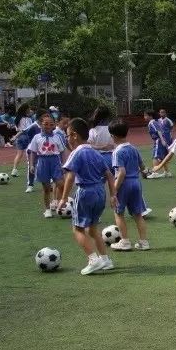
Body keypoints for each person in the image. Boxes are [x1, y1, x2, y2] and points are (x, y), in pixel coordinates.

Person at [59, 117, 118, 276]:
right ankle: (105, 259)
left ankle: (93, 259)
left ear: (75, 135)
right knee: (92, 229)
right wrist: (113, 195)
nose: (67, 139)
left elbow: (70, 177)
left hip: (85, 192)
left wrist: (63, 198)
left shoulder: (76, 153)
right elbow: (109, 175)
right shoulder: (95, 152)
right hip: (100, 192)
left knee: (77, 228)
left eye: (68, 135)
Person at [108, 120, 150, 251]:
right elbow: (142, 167)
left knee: (118, 213)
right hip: (136, 183)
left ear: (113, 136)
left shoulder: (117, 152)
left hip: (124, 184)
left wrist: (114, 191)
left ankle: (125, 241)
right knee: (138, 214)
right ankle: (144, 242)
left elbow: (121, 172)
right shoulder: (133, 148)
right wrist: (144, 173)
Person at [26, 113, 69, 217]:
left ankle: (60, 203)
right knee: (46, 188)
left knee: (61, 184)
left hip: (55, 162)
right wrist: (32, 165)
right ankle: (47, 209)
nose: (48, 126)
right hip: (42, 162)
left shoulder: (57, 137)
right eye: (45, 124)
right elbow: (33, 152)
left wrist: (64, 164)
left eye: (51, 124)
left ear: (54, 125)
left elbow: (62, 151)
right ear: (41, 124)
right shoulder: (36, 137)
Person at [146, 111, 172, 179]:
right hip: (161, 140)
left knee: (155, 156)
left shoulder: (152, 122)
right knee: (163, 157)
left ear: (150, 116)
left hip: (158, 140)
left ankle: (155, 172)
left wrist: (162, 140)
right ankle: (167, 172)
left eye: (145, 115)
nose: (144, 117)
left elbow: (158, 131)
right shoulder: (156, 121)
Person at [11, 103, 35, 177]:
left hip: (19, 138)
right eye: (29, 109)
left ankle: (14, 170)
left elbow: (17, 129)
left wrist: (15, 136)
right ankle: (32, 168)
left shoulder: (17, 118)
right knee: (31, 153)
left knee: (19, 154)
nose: (30, 110)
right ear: (26, 110)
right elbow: (27, 129)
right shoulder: (27, 119)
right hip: (27, 137)